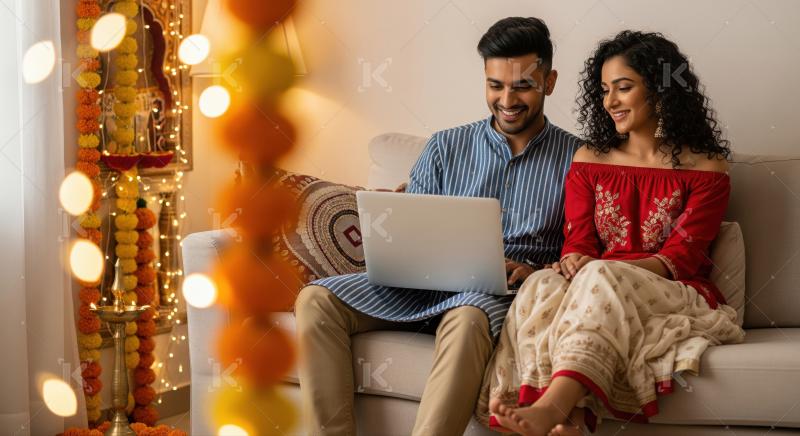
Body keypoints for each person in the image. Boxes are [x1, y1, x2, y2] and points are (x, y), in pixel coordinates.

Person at [294, 17, 581, 435]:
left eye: (522, 85)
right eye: (495, 85)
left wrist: (534, 272)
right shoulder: (446, 145)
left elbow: (582, 254)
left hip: (494, 297)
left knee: (466, 320)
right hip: (419, 285)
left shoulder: (579, 160)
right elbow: (411, 224)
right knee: (315, 300)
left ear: (549, 82)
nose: (507, 99)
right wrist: (390, 227)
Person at [478, 30, 746, 436]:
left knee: (601, 275)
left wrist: (598, 268)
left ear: (661, 90)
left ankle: (552, 408)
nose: (610, 102)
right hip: (596, 281)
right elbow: (578, 239)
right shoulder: (590, 159)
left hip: (671, 288)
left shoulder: (707, 169)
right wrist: (572, 261)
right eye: (604, 90)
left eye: (623, 88)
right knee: (542, 284)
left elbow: (682, 258)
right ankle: (563, 419)